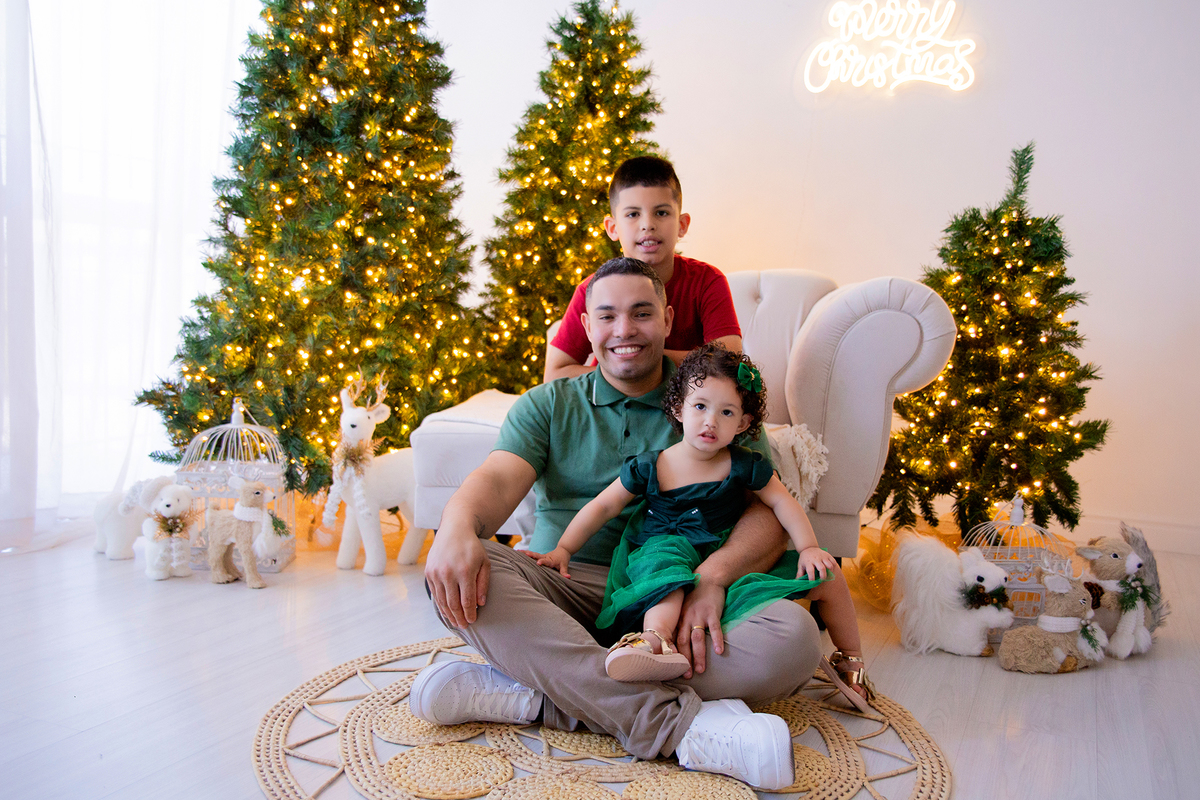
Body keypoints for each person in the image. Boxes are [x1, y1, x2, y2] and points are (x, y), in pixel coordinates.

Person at [415, 257, 817, 790]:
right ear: (586, 327)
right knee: (465, 566)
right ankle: (684, 728)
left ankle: (536, 692)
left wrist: (713, 578)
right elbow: (495, 479)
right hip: (565, 585)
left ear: (669, 320)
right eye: (606, 316)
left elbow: (767, 514)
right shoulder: (547, 404)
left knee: (794, 639)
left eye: (641, 313)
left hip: (678, 593)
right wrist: (454, 527)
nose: (623, 330)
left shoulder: (714, 396)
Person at [536, 344, 874, 712]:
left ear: (743, 424)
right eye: (700, 407)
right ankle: (654, 640)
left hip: (721, 558)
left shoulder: (744, 465)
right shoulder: (652, 466)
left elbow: (782, 502)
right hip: (664, 545)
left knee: (828, 574)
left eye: (726, 412)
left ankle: (850, 658)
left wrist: (808, 547)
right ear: (678, 409)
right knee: (668, 568)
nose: (711, 421)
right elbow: (603, 505)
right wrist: (563, 549)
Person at [543, 156, 742, 382]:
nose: (648, 224)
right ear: (613, 227)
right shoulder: (592, 289)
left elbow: (729, 362)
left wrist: (643, 359)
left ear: (682, 224)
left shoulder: (707, 281)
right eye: (633, 214)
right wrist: (622, 372)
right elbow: (555, 374)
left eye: (661, 213)